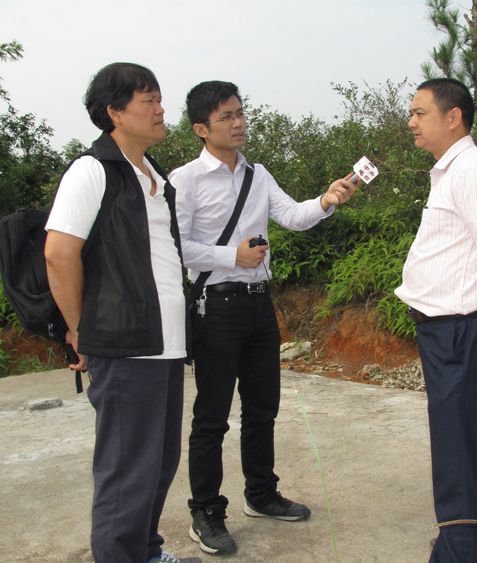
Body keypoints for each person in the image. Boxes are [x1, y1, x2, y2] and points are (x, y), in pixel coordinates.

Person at [169, 80, 359, 557]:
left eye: (240, 113)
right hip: (215, 307)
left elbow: (293, 216)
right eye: (226, 117)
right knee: (211, 417)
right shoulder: (184, 180)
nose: (238, 123)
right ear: (201, 128)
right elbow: (178, 245)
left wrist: (327, 200)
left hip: (258, 304)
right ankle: (206, 512)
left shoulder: (258, 174)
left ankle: (261, 493)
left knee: (262, 409)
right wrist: (231, 256)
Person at [44, 63, 200, 563]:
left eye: (159, 99)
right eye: (148, 100)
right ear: (114, 111)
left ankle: (146, 551)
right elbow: (59, 254)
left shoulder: (155, 176)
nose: (160, 110)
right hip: (123, 343)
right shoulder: (93, 170)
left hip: (165, 343)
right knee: (126, 469)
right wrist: (78, 329)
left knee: (158, 462)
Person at [395, 78, 477, 563]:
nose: (411, 122)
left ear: (453, 118)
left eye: (420, 113)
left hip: (462, 329)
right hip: (451, 329)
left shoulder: (471, 170)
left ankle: (461, 553)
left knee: (459, 450)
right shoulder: (453, 171)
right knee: (474, 441)